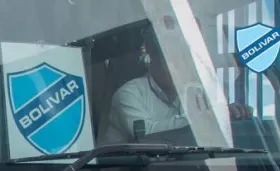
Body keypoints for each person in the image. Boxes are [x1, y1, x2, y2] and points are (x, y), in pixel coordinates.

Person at [103, 20, 253, 143]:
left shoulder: (198, 93)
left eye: (183, 60)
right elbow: (146, 134)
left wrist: (228, 116)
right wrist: (204, 119)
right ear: (152, 59)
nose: (178, 67)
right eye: (170, 60)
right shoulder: (129, 94)